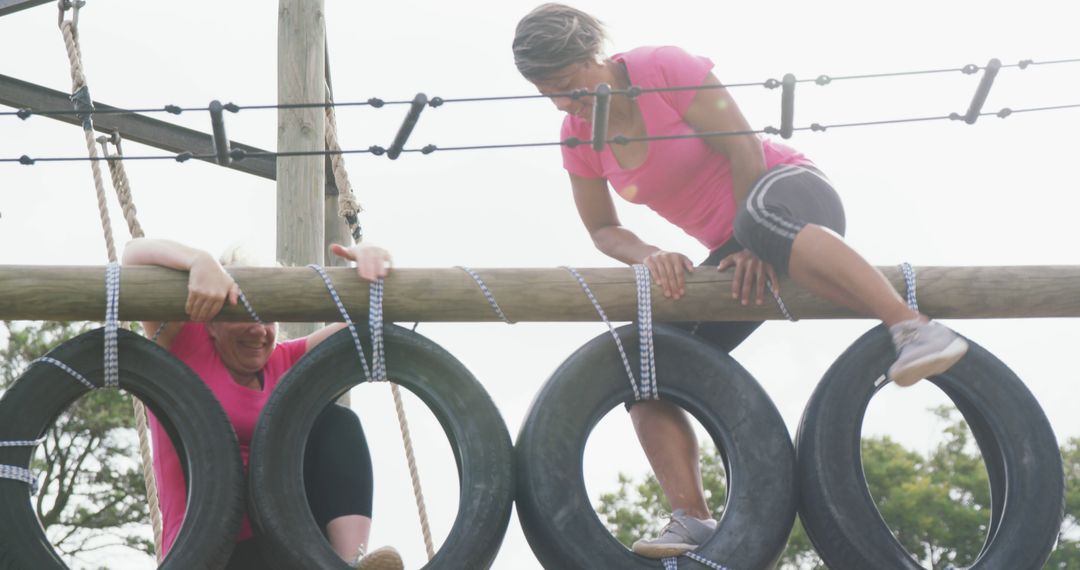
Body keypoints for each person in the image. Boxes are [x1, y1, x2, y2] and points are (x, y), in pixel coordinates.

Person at [512, 3, 969, 559]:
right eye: (547, 94)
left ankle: (913, 328)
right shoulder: (576, 138)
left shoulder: (662, 67)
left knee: (759, 220)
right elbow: (604, 228)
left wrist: (753, 240)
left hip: (784, 191)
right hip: (732, 251)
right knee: (645, 364)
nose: (563, 102)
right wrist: (650, 253)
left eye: (566, 84)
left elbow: (743, 145)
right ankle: (693, 519)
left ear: (591, 56)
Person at [122, 238, 403, 570]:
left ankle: (347, 564)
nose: (258, 330)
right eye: (243, 313)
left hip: (285, 544)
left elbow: (372, 328)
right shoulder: (183, 346)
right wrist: (199, 261)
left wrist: (375, 267)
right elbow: (132, 257)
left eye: (268, 317)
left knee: (338, 422)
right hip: (209, 550)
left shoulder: (287, 362)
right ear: (211, 321)